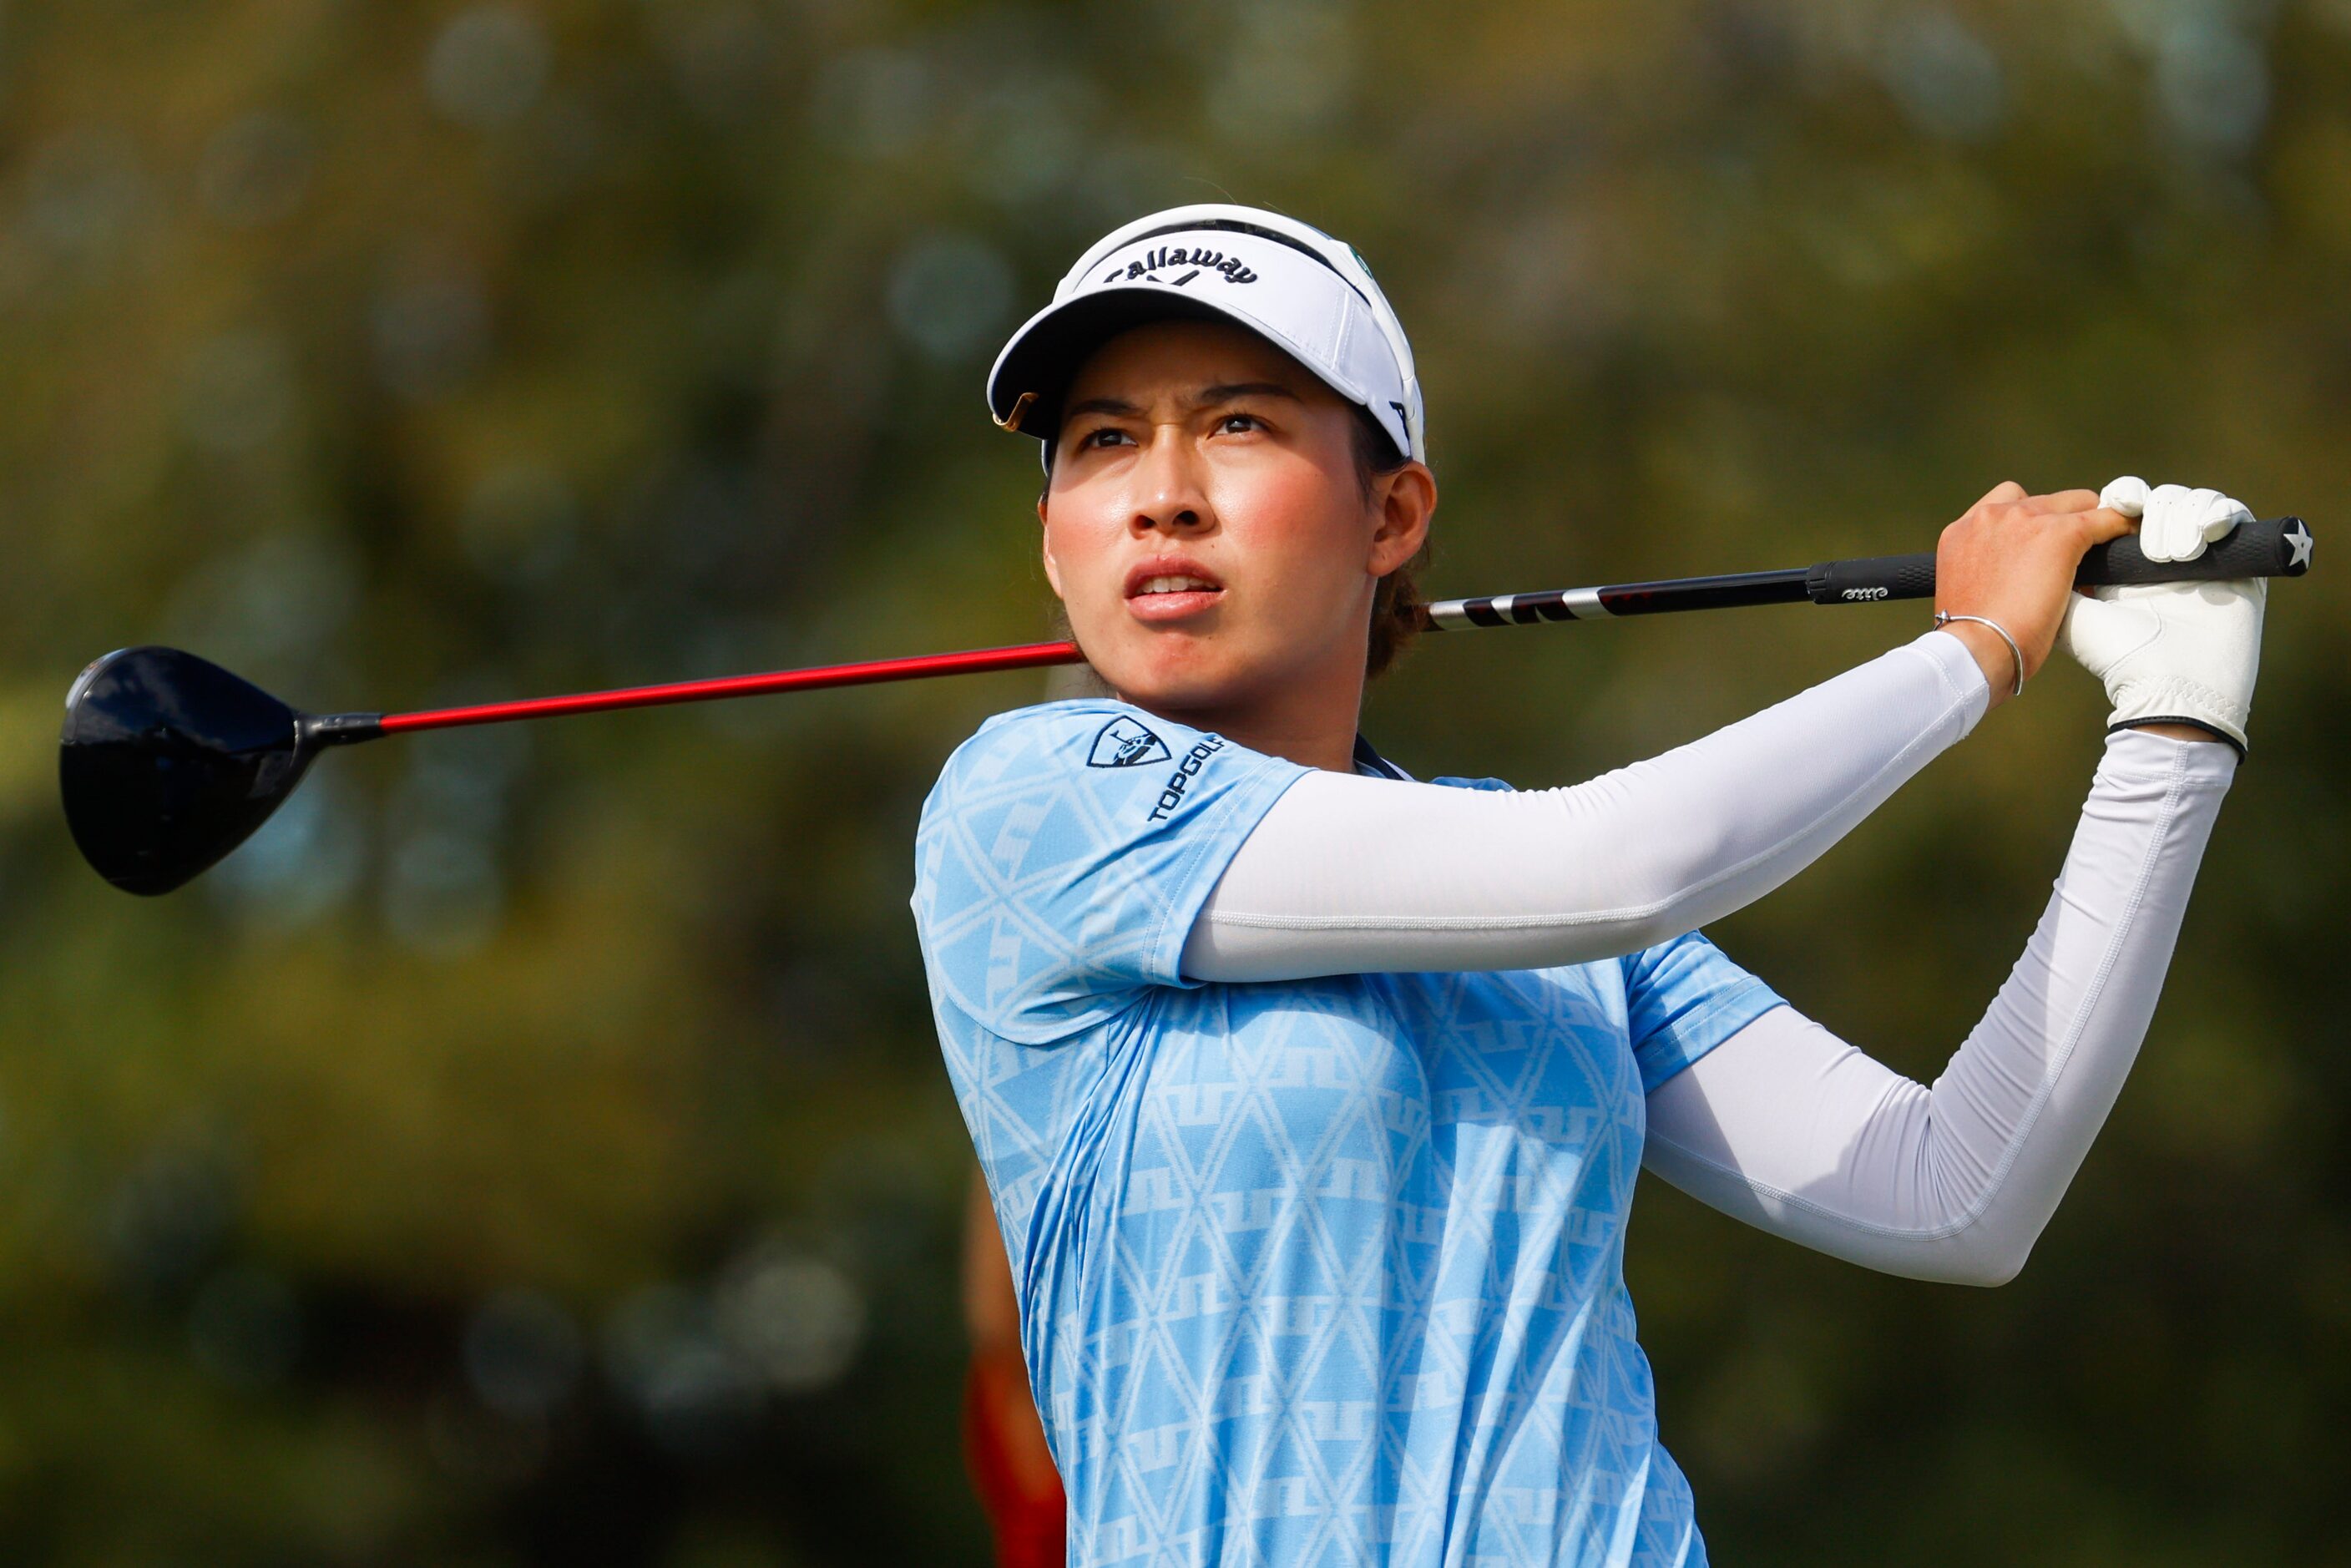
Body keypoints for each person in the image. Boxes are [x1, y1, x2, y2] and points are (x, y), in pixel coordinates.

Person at [911, 204, 2263, 1566]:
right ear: (1052, 538)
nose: (1164, 490)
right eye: (1104, 440)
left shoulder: (1535, 901)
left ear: (1393, 511)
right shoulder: (1031, 802)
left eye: (1240, 423)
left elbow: (1952, 1192)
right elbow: (1609, 864)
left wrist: (2170, 735)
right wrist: (1976, 647)